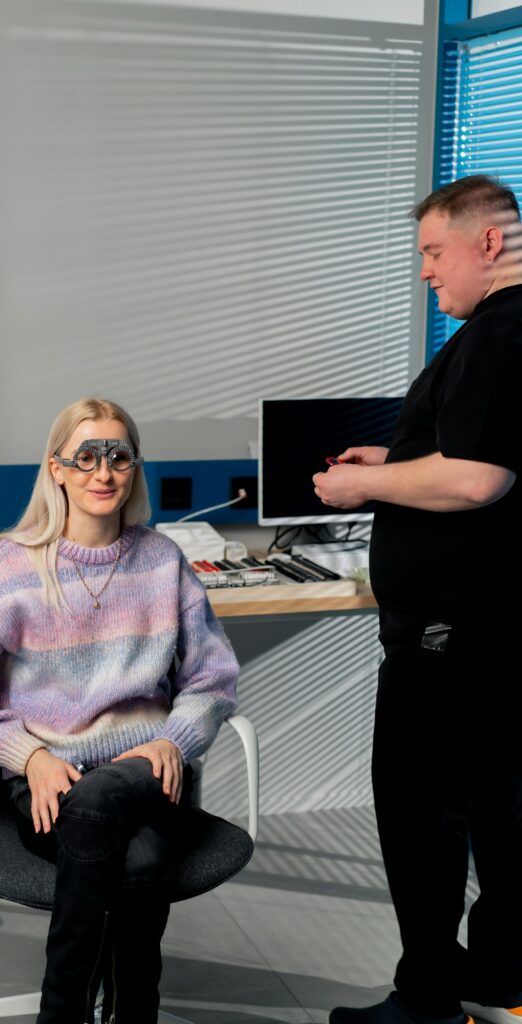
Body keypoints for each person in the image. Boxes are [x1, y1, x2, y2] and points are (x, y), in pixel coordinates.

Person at [0, 396, 239, 1024]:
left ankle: (60, 1014)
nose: (104, 472)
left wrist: (174, 739)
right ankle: (130, 1013)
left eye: (119, 456)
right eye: (87, 456)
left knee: (112, 803)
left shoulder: (163, 562)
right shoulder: (13, 568)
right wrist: (30, 756)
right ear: (58, 469)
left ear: (134, 468)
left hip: (149, 773)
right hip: (51, 783)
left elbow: (213, 678)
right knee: (139, 856)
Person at [312, 175, 522, 1024]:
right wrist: (394, 463)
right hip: (492, 626)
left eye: (435, 254)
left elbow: (475, 479)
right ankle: (501, 982)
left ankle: (429, 1000)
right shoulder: (502, 335)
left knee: (420, 812)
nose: (427, 274)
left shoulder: (499, 334)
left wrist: (362, 490)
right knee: (501, 809)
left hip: (450, 631)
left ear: (490, 243)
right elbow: (475, 455)